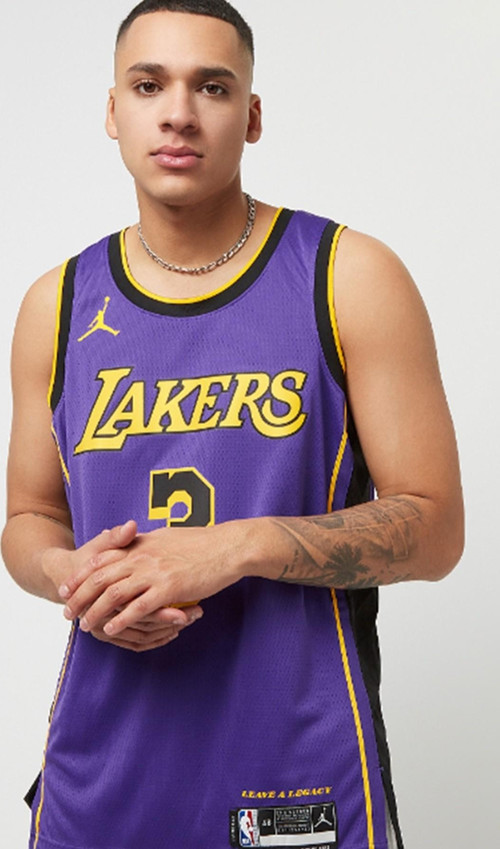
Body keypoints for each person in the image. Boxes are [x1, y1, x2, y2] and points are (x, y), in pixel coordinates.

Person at [1, 1, 464, 848]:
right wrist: (75, 576)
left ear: (251, 116)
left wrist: (235, 547)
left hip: (300, 770)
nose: (178, 113)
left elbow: (435, 530)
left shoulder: (347, 275)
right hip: (99, 772)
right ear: (113, 110)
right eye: (149, 85)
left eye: (211, 87)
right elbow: (29, 516)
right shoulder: (56, 304)